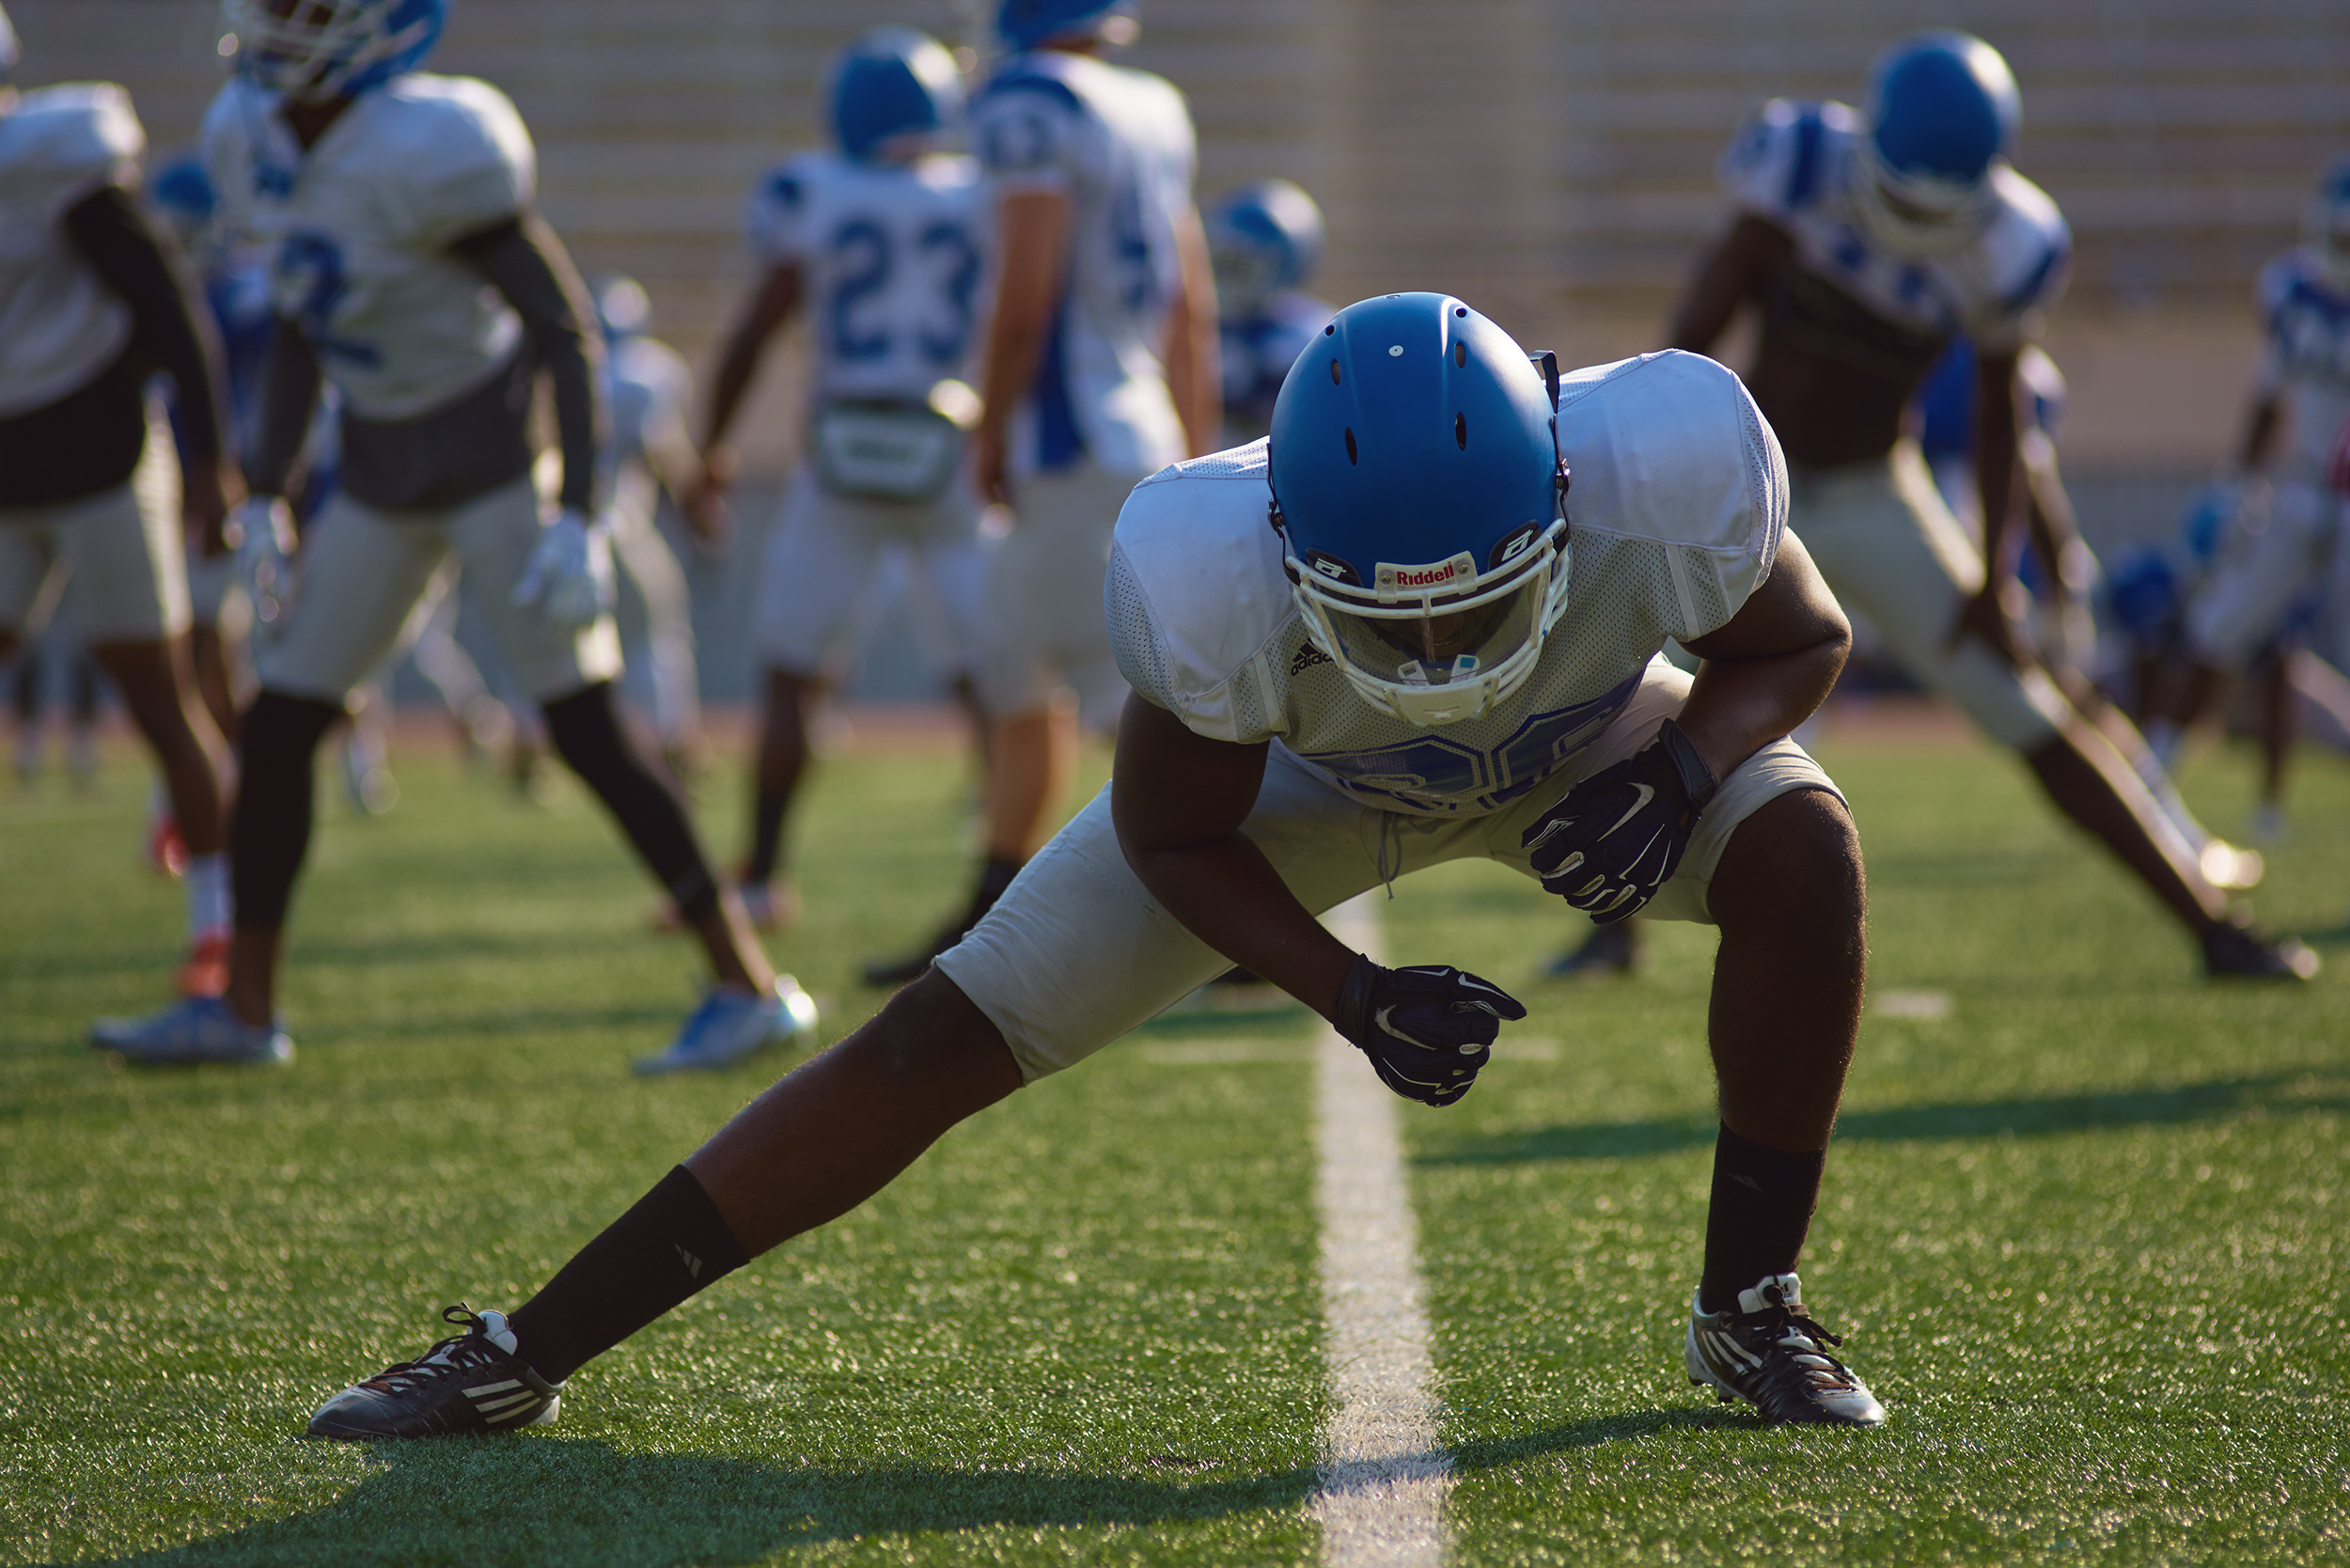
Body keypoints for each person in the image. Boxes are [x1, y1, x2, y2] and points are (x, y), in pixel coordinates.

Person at [306, 293, 1888, 1439]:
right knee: (939, 1030)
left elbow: (1800, 641)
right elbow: (1172, 828)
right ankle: (522, 1347)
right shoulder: (1206, 569)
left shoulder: (1663, 459)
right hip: (1302, 782)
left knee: (1807, 848)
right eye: (1390, 612)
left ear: (1558, 497)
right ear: (1287, 536)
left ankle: (1751, 1307)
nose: (1438, 650)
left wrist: (1682, 767)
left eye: (1472, 605)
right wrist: (1346, 988)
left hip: (1599, 740)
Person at [88, 0, 814, 1073]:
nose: (281, 20)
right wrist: (271, 489)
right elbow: (298, 319)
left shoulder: (432, 143)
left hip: (493, 469)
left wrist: (571, 520)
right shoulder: (250, 132)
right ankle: (244, 1006)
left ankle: (747, 983)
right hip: (379, 473)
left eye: (309, 7)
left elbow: (560, 327)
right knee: (282, 728)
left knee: (586, 731)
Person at [1668, 28, 2311, 979]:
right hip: (1762, 488)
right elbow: (1699, 322)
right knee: (1659, 698)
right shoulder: (1798, 163)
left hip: (1882, 490)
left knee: (2021, 704)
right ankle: (1609, 933)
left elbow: (2003, 413)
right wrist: (1685, 471)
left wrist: (1992, 572)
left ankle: (2210, 923)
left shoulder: (2011, 244)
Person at [862, 0, 1220, 985]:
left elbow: (1025, 291)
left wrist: (991, 424)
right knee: (1018, 674)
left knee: (1123, 692)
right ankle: (992, 910)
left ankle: (1243, 904)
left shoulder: (1028, 101)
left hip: (1067, 440)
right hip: (1129, 428)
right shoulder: (1152, 103)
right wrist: (1191, 444)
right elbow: (1191, 304)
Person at [685, 27, 992, 936]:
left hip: (845, 444)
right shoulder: (975, 194)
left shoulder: (808, 190)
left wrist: (710, 449)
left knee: (793, 672)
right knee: (997, 671)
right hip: (951, 437)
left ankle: (763, 876)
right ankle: (1014, 855)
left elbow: (754, 330)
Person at [0, 4, 242, 997]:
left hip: (100, 457)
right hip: (6, 466)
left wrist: (211, 463)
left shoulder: (53, 156)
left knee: (158, 697)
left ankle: (222, 930)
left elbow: (169, 305)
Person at [2147, 154, 2350, 842]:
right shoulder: (2292, 289)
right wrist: (2239, 478)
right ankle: (2157, 771)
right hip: (2299, 484)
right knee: (2222, 625)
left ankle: (2267, 803)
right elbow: (2270, 390)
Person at [586, 274, 706, 782]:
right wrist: (695, 510)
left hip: (567, 523)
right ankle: (672, 740)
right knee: (657, 634)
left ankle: (531, 740)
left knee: (561, 639)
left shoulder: (579, 366)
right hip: (623, 523)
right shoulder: (648, 372)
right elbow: (663, 450)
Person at [1208, 178, 1331, 441]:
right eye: (1223, 263)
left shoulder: (1309, 338)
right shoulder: (1195, 326)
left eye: (1240, 268)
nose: (1227, 279)